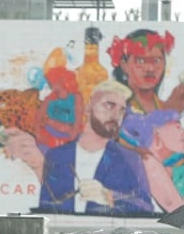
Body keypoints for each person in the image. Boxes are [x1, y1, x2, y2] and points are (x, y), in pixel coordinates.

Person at [38, 79, 153, 215]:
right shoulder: (56, 157)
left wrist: (109, 197)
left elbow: (146, 208)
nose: (116, 116)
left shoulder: (130, 159)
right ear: (88, 108)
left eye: (122, 111)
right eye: (109, 106)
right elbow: (45, 209)